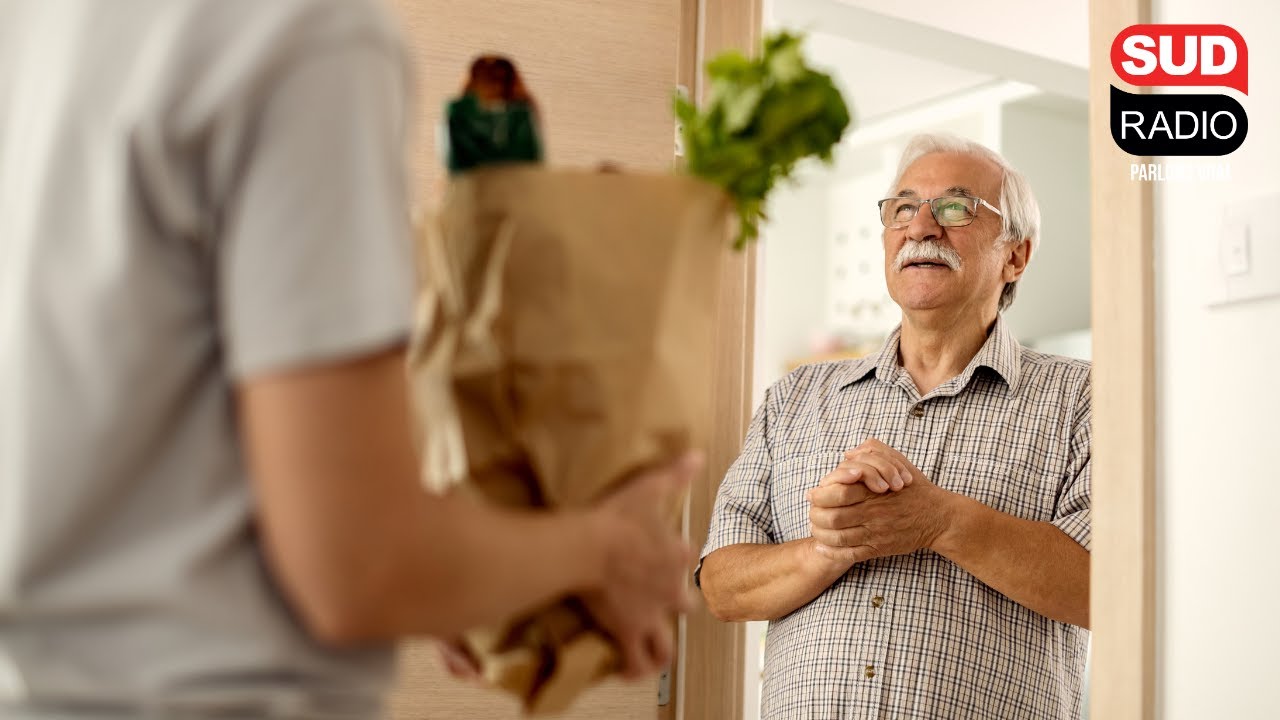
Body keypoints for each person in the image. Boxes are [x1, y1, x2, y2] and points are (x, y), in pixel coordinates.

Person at [0, 1, 696, 718]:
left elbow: (148, 434)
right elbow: (361, 565)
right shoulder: (300, 32)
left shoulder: (40, 24)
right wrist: (606, 554)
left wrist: (465, 575)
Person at [698, 133, 1091, 719]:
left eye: (955, 208)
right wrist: (832, 548)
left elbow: (1109, 590)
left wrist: (940, 521)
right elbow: (722, 586)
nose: (921, 227)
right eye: (902, 208)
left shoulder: (1082, 397)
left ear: (1016, 256)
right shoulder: (795, 399)